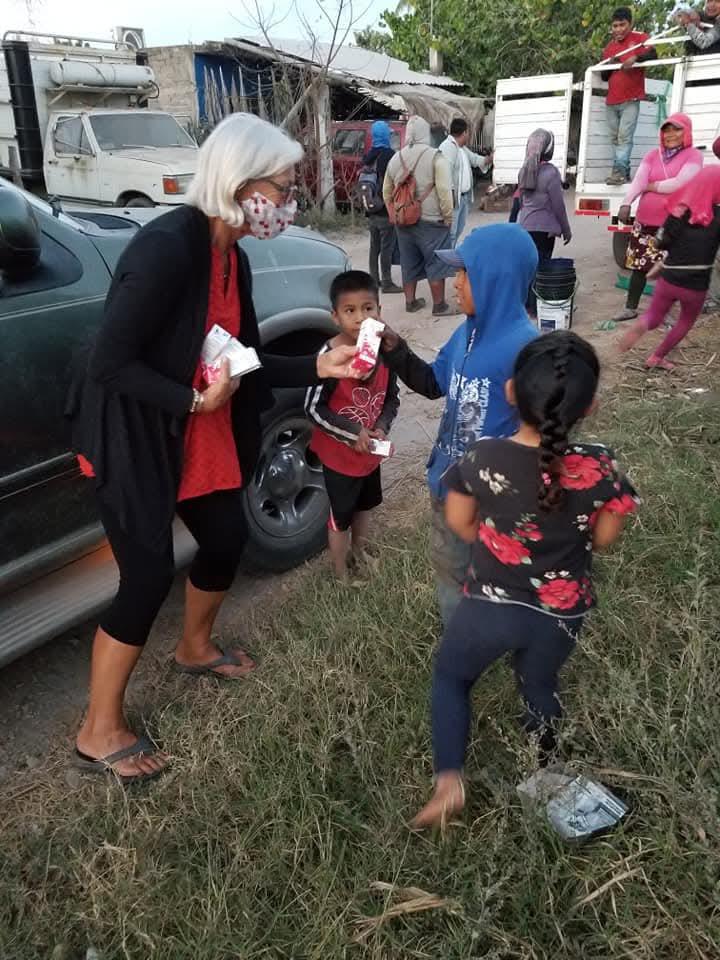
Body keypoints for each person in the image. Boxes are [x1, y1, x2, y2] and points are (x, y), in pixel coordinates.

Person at [66, 114, 357, 783]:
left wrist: (320, 364)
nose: (287, 202)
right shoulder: (168, 246)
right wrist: (192, 402)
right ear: (238, 179)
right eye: (281, 187)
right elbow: (110, 363)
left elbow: (244, 359)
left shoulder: (230, 254)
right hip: (136, 427)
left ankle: (194, 648)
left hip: (194, 422)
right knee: (144, 574)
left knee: (224, 536)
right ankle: (97, 730)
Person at [411, 331, 640, 829]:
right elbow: (602, 540)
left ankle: (449, 782)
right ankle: (545, 772)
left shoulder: (482, 458)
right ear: (592, 405)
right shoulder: (602, 468)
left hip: (488, 607)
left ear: (510, 391)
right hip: (560, 613)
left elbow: (460, 524)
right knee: (539, 685)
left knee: (452, 678)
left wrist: (493, 541)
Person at [380, 224, 539, 627]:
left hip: (495, 500)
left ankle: (491, 629)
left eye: (465, 273)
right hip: (450, 487)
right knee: (452, 571)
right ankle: (463, 638)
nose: (455, 282)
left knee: (496, 574)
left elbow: (542, 430)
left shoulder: (526, 349)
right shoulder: (466, 332)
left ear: (496, 280)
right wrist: (396, 351)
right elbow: (433, 384)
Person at [305, 271, 399, 578]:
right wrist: (351, 433)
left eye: (368, 308)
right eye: (350, 311)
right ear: (335, 317)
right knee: (341, 515)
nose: (361, 318)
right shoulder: (328, 356)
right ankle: (341, 571)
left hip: (369, 451)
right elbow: (313, 409)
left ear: (380, 311)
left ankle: (359, 551)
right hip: (340, 456)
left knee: (366, 504)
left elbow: (391, 398)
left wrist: (382, 426)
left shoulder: (385, 352)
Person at [619, 167, 720, 369]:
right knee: (685, 321)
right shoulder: (718, 216)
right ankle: (657, 357)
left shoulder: (679, 211)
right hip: (696, 284)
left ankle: (642, 324)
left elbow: (660, 243)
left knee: (654, 315)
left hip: (669, 276)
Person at [613, 114, 703, 322]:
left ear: (686, 132)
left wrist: (652, 186)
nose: (670, 134)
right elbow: (639, 180)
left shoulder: (693, 156)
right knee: (638, 266)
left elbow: (680, 183)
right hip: (644, 222)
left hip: (672, 224)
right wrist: (627, 202)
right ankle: (630, 308)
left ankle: (665, 313)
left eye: (677, 129)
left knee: (668, 269)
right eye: (666, 130)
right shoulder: (653, 155)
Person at [383, 115, 455, 316]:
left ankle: (411, 302)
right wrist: (448, 216)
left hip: (403, 221)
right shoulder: (435, 156)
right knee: (436, 261)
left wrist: (395, 214)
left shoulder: (395, 158)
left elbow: (386, 192)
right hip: (431, 220)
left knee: (409, 260)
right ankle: (439, 305)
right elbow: (444, 190)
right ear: (426, 133)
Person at [517, 128, 572, 314]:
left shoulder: (524, 169)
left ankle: (525, 305)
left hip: (524, 227)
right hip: (544, 231)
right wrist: (566, 229)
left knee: (527, 267)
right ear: (549, 150)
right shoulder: (551, 173)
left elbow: (520, 201)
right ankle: (535, 307)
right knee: (540, 268)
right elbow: (558, 206)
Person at [601, 8, 657, 185]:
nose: (618, 29)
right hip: (611, 101)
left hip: (631, 99)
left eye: (622, 25)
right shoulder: (610, 48)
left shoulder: (639, 38)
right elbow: (603, 77)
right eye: (615, 26)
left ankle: (618, 172)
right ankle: (623, 172)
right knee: (615, 139)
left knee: (624, 137)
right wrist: (610, 64)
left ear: (630, 24)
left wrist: (635, 58)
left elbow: (653, 54)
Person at [361, 121, 402, 294]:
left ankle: (374, 280)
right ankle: (387, 282)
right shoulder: (390, 155)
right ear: (385, 135)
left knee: (374, 247)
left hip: (371, 208)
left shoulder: (368, 156)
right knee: (387, 247)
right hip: (385, 208)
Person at [439, 118, 492, 248]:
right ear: (463, 133)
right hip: (453, 199)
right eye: (468, 133)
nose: (468, 136)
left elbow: (475, 159)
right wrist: (448, 201)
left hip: (463, 198)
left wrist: (489, 159)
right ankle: (446, 262)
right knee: (450, 233)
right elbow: (445, 176)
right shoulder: (447, 147)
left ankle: (449, 257)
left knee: (457, 231)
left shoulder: (461, 148)